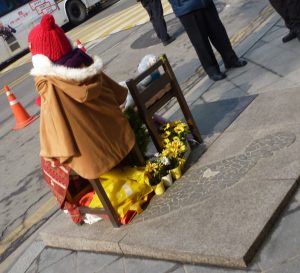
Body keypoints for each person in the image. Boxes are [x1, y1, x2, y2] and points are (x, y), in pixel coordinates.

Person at [28, 14, 136, 180]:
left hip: (91, 160)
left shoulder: (50, 86)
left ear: (41, 59)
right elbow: (119, 95)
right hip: (120, 138)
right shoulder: (86, 63)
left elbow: (52, 139)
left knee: (48, 163)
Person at [167, 0, 247, 81]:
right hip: (186, 7)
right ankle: (212, 70)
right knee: (200, 41)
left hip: (205, 2)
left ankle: (230, 59)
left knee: (218, 31)